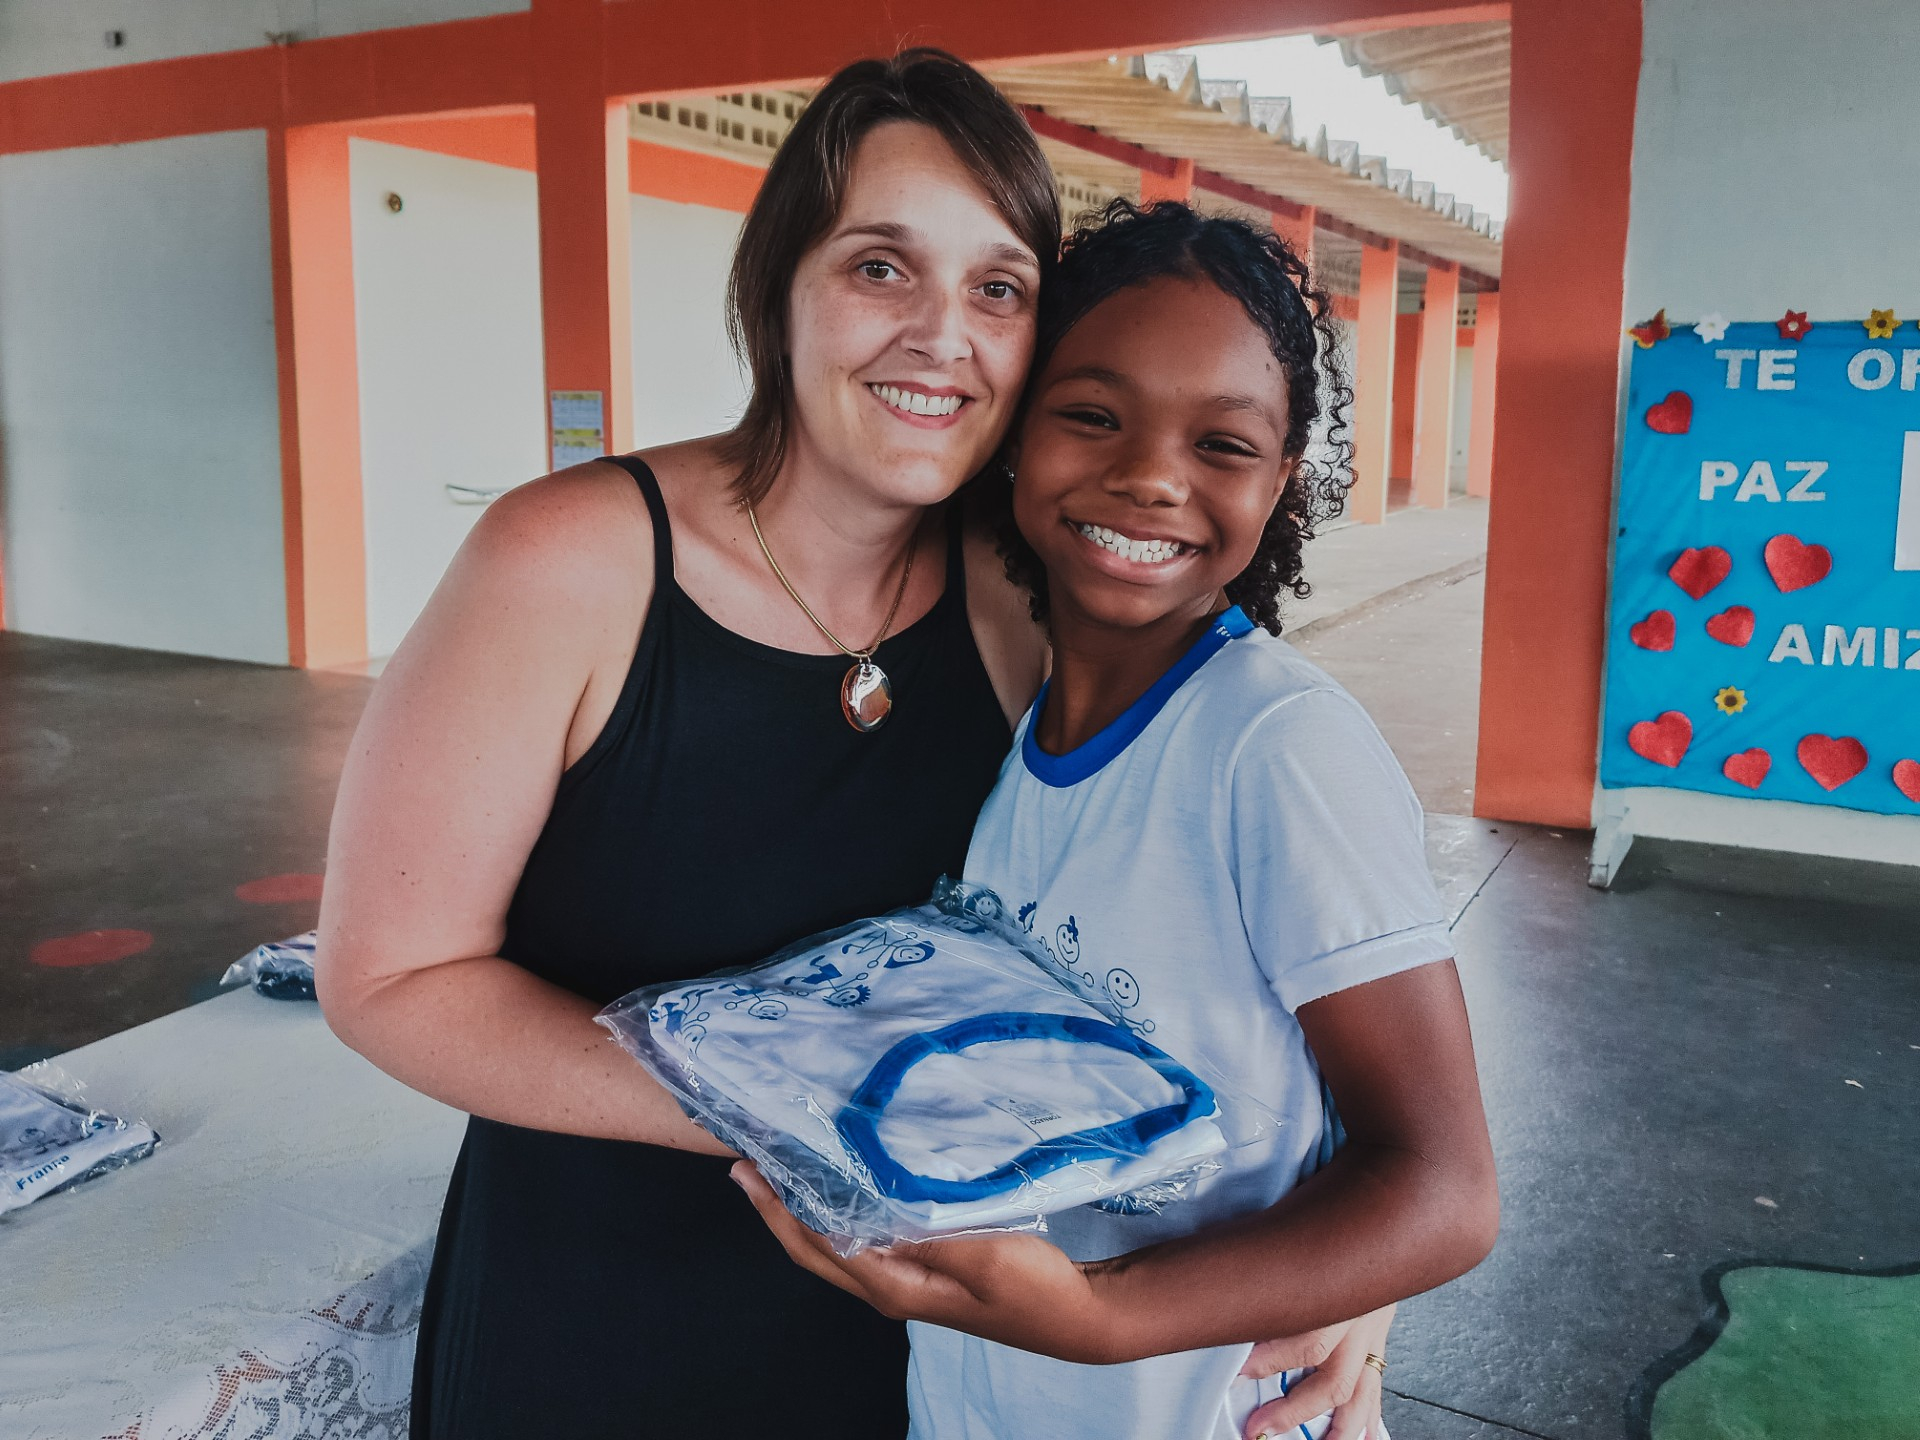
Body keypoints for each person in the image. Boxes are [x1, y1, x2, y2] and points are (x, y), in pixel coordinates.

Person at [734, 200, 1500, 1440]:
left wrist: (1101, 1315)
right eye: (1092, 416)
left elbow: (1444, 1187)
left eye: (1224, 444)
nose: (1150, 476)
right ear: (1015, 436)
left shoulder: (1273, 746)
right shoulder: (1017, 745)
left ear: (1284, 483)